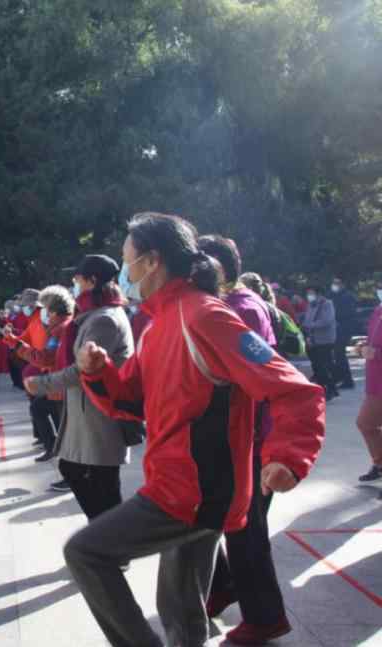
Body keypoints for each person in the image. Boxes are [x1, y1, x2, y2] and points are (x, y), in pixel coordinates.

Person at [63, 213, 324, 647]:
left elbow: (295, 390)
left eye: (128, 261)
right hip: (181, 483)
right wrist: (100, 372)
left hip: (196, 491)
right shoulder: (156, 323)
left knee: (86, 553)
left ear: (151, 260)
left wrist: (287, 456)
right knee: (182, 614)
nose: (124, 273)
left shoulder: (205, 316)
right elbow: (133, 398)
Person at [199, 237, 290, 645]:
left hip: (249, 437)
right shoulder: (222, 306)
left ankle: (265, 616)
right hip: (227, 435)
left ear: (215, 269)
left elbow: (262, 380)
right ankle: (221, 586)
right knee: (210, 519)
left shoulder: (242, 310)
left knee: (246, 530)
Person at [25, 255, 134, 506]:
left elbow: (81, 369)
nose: (74, 285)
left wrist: (41, 384)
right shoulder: (95, 314)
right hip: (86, 407)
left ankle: (105, 535)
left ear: (92, 281)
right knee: (79, 471)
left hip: (98, 411)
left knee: (101, 482)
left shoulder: (103, 319)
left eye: (77, 280)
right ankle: (102, 534)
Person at [11, 286, 74, 461]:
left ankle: (63, 461)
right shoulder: (62, 325)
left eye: (44, 308)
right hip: (59, 383)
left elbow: (45, 358)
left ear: (53, 310)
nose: (42, 313)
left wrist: (17, 346)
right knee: (42, 409)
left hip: (61, 385)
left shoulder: (60, 329)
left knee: (63, 425)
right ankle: (52, 447)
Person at [355, 281, 382, 483]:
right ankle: (379, 463)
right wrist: (364, 345)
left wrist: (376, 353)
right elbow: (373, 339)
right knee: (365, 423)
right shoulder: (378, 310)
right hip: (375, 382)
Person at [301, 285, 340, 401]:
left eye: (311, 293)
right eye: (308, 293)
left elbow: (326, 321)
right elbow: (307, 320)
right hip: (312, 340)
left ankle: (331, 389)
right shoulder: (311, 305)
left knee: (323, 366)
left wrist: (309, 325)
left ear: (318, 293)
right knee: (316, 366)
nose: (309, 296)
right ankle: (322, 388)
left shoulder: (327, 304)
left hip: (325, 340)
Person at [330, 277, 357, 390]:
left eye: (337, 283)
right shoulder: (337, 296)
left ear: (343, 284)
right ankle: (342, 378)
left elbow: (345, 313)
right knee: (338, 354)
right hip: (339, 328)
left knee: (339, 354)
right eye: (334, 283)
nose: (334, 285)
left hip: (343, 328)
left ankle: (347, 380)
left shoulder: (347, 297)